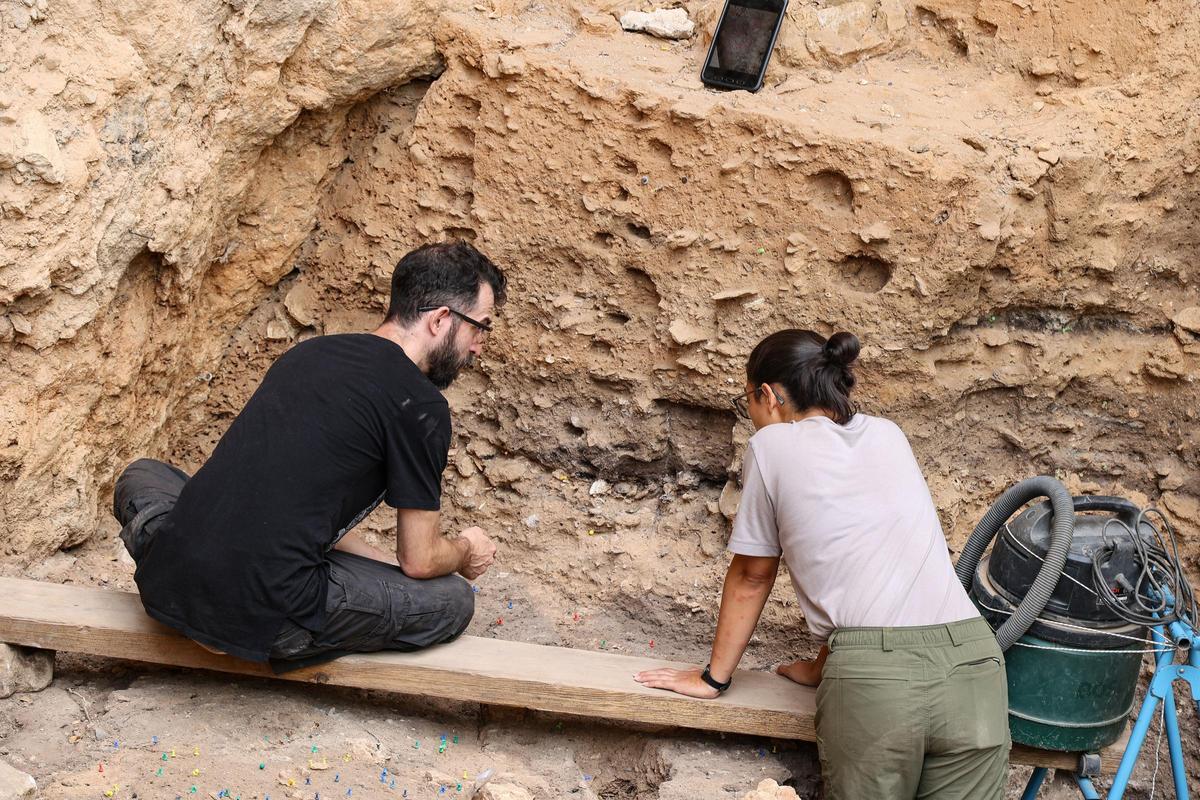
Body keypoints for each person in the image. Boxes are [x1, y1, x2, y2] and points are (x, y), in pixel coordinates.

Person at [634, 329, 1010, 799]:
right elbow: (876, 565)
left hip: (878, 687)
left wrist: (713, 678)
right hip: (974, 663)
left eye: (746, 399)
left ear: (767, 395)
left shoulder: (771, 447)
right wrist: (819, 667)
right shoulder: (888, 435)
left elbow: (753, 576)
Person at [112, 241, 505, 671]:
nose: (478, 347)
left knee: (145, 473)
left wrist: (386, 568)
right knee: (451, 600)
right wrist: (466, 549)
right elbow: (421, 559)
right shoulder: (419, 405)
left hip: (170, 584)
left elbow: (291, 500)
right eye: (479, 326)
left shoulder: (310, 353)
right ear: (441, 319)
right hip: (269, 616)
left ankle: (187, 574)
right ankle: (253, 621)